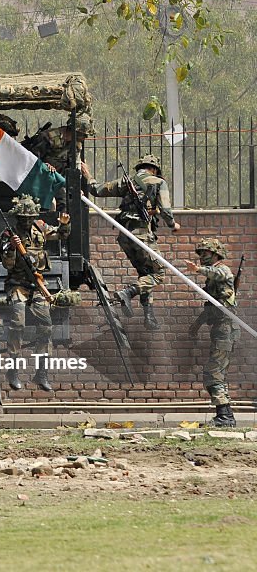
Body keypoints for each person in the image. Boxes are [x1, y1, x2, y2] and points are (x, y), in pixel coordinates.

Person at [85, 154, 180, 330]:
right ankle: (126, 293)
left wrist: (88, 174)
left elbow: (97, 190)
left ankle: (149, 316)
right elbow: (166, 211)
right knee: (158, 274)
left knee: (146, 273)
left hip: (124, 236)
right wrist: (173, 225)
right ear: (155, 169)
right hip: (142, 235)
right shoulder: (158, 182)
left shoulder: (126, 182)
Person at [0, 195, 70, 392]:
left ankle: (41, 372)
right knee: (18, 322)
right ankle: (13, 370)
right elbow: (8, 264)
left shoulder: (40, 227)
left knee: (46, 326)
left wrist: (65, 224)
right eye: (23, 217)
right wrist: (12, 248)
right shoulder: (8, 234)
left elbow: (61, 235)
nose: (26, 221)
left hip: (37, 285)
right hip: (18, 285)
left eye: (29, 217)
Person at [186, 238, 239, 428]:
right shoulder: (212, 277)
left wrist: (197, 270)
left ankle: (225, 417)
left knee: (214, 372)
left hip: (225, 330)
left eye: (205, 253)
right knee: (215, 372)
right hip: (219, 329)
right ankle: (225, 416)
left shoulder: (222, 269)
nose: (201, 257)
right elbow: (211, 307)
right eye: (200, 254)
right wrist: (196, 325)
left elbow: (217, 273)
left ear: (216, 254)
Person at [23, 114, 95, 210]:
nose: (84, 138)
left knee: (67, 204)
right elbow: (32, 159)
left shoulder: (76, 144)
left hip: (60, 179)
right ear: (76, 131)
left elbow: (75, 166)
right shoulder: (48, 137)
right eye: (83, 135)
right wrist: (44, 166)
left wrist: (75, 186)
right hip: (42, 178)